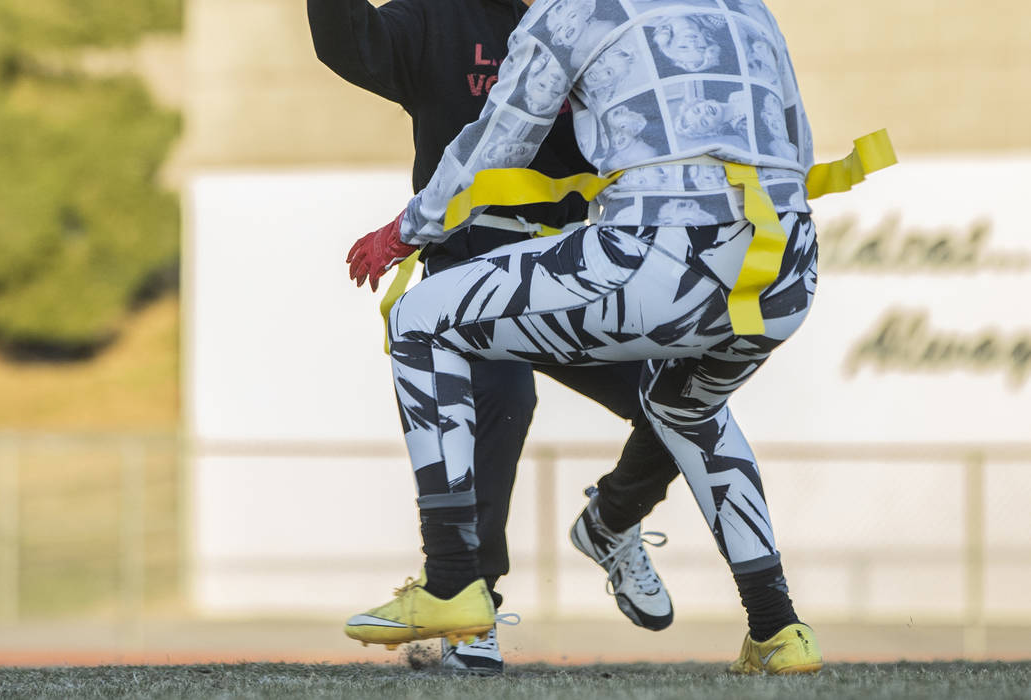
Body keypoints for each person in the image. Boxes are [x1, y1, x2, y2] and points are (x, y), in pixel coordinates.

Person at [345, 0, 825, 675]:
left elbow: (498, 141)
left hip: (661, 251)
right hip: (786, 268)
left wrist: (404, 232)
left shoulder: (572, 9)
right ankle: (778, 629)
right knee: (688, 407)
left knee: (420, 320)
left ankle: (453, 581)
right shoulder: (746, 6)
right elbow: (795, 143)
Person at [308, 0, 682, 676]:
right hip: (474, 262)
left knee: (685, 399)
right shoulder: (434, 18)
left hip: (575, 263)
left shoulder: (588, 19)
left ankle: (611, 522)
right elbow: (349, 43)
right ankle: (471, 609)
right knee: (500, 402)